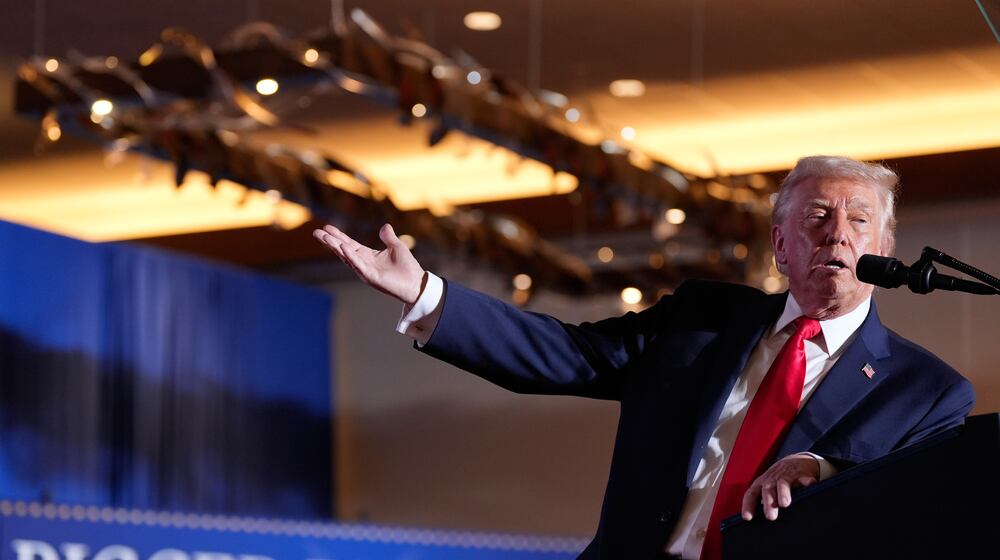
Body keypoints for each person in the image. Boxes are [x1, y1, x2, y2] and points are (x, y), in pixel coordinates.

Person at [313, 155, 974, 560]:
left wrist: (827, 467)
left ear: (886, 244)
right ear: (780, 243)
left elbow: (911, 517)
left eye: (860, 220)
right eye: (818, 216)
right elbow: (570, 355)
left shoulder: (926, 392)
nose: (838, 233)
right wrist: (427, 294)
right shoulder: (703, 319)